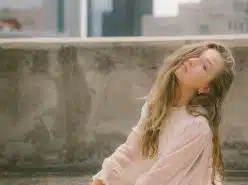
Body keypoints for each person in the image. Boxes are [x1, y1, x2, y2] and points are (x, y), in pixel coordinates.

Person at [91, 41, 235, 185]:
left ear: (205, 88)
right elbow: (129, 151)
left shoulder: (196, 126)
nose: (191, 61)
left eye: (204, 66)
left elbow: (157, 179)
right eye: (197, 55)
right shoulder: (157, 105)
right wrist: (101, 179)